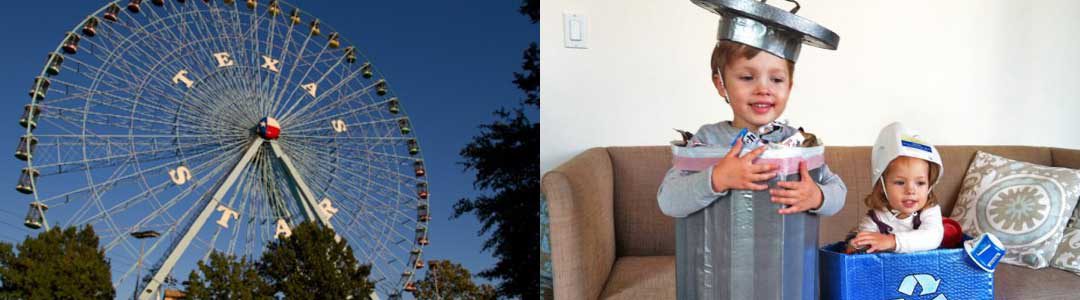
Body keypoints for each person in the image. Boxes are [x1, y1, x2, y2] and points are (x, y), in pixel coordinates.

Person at [656, 39, 846, 218]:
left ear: (789, 86)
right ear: (721, 84)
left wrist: (817, 196)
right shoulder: (707, 139)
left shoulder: (798, 142)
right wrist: (716, 178)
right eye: (747, 77)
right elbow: (668, 200)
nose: (763, 89)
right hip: (720, 251)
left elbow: (838, 190)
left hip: (786, 251)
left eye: (777, 80)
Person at [847, 122, 944, 254]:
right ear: (882, 186)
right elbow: (864, 241)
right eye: (900, 182)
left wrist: (892, 241)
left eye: (920, 183)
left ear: (929, 185)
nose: (910, 190)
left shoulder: (929, 211)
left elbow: (932, 237)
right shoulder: (876, 218)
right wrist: (857, 245)